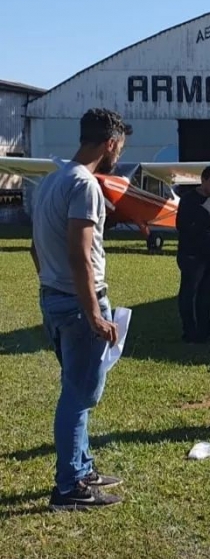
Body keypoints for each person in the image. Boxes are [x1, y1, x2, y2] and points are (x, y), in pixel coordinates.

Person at [30, 108, 131, 510]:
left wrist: (51, 288)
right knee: (79, 394)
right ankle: (69, 486)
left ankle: (81, 466)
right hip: (77, 304)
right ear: (109, 143)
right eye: (119, 147)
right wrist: (92, 312)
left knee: (76, 387)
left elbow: (36, 248)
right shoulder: (85, 184)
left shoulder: (51, 180)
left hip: (54, 298)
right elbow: (80, 254)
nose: (119, 155)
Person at [176, 163, 210, 343]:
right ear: (203, 180)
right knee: (189, 292)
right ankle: (189, 331)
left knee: (206, 291)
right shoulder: (188, 199)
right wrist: (208, 219)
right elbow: (182, 227)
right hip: (192, 254)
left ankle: (205, 328)